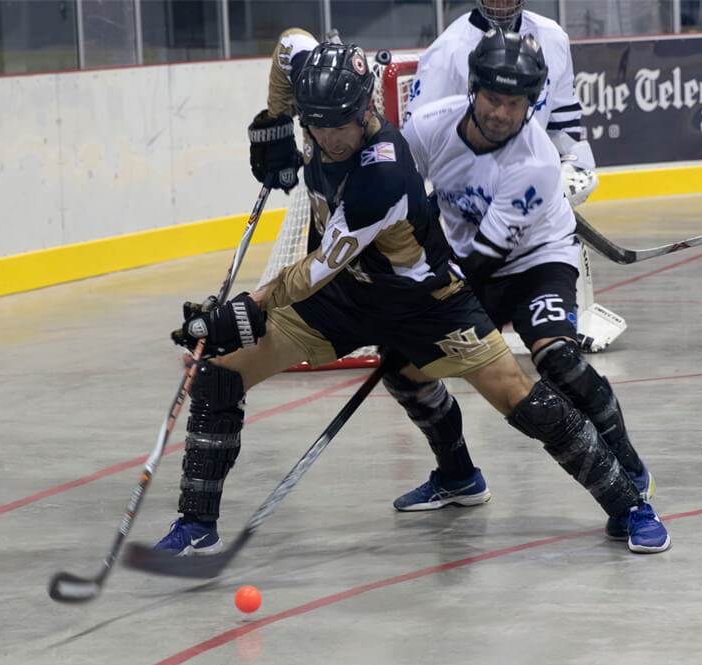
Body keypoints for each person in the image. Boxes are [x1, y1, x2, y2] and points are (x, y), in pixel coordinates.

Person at [153, 31, 671, 556]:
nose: (329, 139)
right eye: (317, 126)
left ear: (366, 109)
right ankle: (196, 523)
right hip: (347, 294)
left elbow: (318, 266)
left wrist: (248, 306)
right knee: (221, 375)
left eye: (340, 125)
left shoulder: (382, 173)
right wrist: (275, 122)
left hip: (426, 300)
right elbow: (290, 46)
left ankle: (630, 505)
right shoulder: (330, 94)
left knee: (521, 398)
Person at [388, 28, 662, 549]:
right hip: (469, 256)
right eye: (492, 98)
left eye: (514, 104)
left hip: (537, 259)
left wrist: (425, 300)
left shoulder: (535, 162)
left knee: (557, 358)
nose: (500, 113)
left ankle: (628, 465)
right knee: (402, 370)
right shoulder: (427, 126)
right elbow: (391, 189)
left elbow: (482, 264)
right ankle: (458, 476)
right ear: (473, 89)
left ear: (531, 103)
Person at [405, 0, 597, 209]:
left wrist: (562, 177)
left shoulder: (553, 38)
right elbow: (415, 148)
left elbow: (563, 130)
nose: (501, 1)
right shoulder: (446, 50)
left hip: (528, 189)